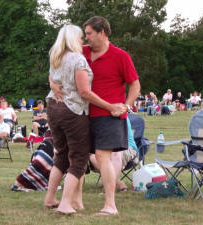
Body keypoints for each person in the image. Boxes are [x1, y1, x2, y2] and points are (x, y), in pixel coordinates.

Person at [51, 17, 140, 215]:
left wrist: (126, 106)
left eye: (90, 33)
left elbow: (135, 84)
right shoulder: (81, 52)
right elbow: (57, 63)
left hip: (109, 115)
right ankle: (76, 201)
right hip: (81, 113)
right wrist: (52, 83)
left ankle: (110, 205)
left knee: (102, 156)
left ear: (102, 33)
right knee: (78, 156)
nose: (86, 38)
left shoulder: (121, 56)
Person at [89, 116, 139, 192]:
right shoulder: (100, 118)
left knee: (116, 154)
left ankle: (108, 190)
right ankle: (119, 183)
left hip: (126, 147)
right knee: (93, 157)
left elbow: (118, 140)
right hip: (109, 147)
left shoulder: (120, 116)